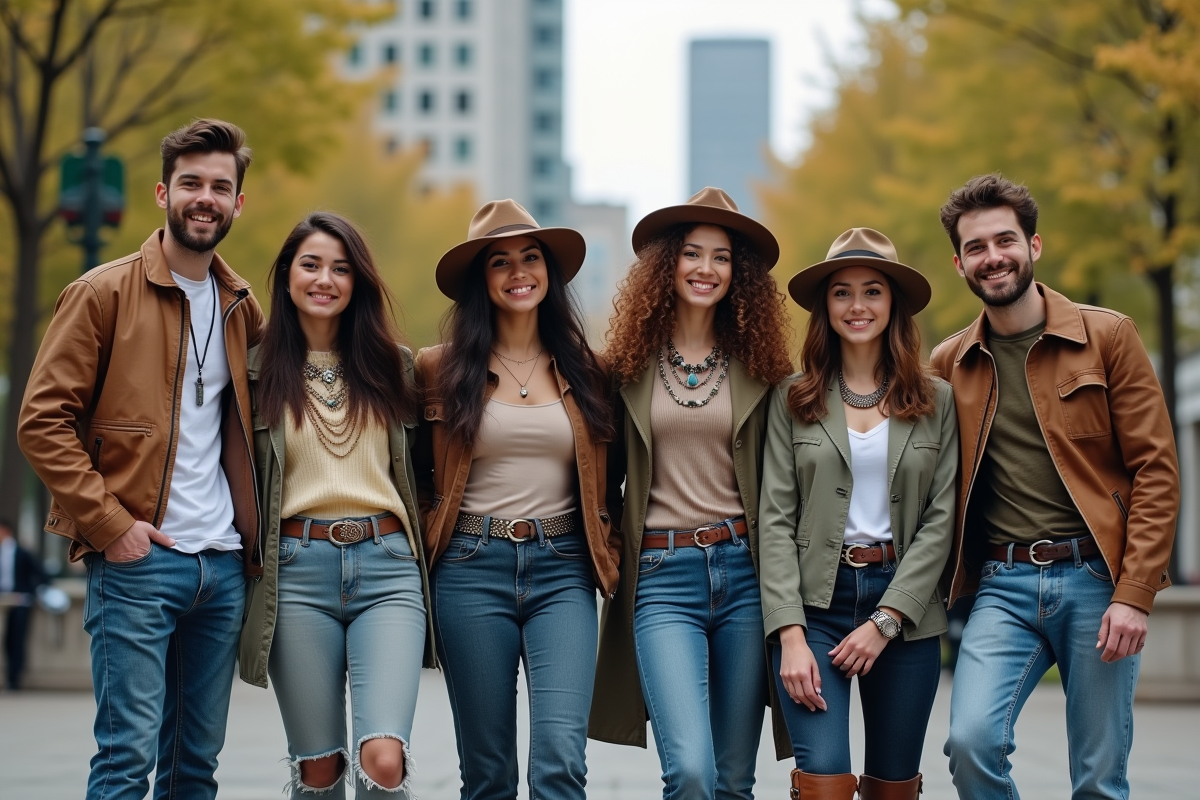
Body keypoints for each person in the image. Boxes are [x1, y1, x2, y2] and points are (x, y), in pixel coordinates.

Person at [18, 119, 263, 800]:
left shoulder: (243, 309)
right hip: (137, 563)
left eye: (220, 186)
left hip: (220, 570)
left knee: (195, 770)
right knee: (125, 763)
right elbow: (41, 423)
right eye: (191, 183)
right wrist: (111, 527)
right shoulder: (101, 294)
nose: (204, 197)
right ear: (163, 192)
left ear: (239, 203)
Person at [931, 174, 1179, 800]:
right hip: (1001, 587)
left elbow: (1156, 468)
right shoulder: (948, 364)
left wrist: (1136, 592)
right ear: (959, 261)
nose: (993, 257)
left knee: (1099, 777)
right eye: (977, 247)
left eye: (1005, 240)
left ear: (1034, 245)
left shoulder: (1108, 336)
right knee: (970, 743)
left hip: (1097, 580)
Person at [590, 188, 795, 800]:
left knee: (733, 781)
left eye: (722, 258)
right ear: (665, 266)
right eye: (691, 254)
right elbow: (600, 477)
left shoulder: (764, 367)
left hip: (745, 575)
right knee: (690, 771)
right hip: (661, 577)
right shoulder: (624, 366)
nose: (706, 269)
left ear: (741, 275)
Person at [414, 199, 618, 800]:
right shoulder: (438, 370)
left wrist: (614, 542)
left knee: (559, 761)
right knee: (489, 772)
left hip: (564, 568)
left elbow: (622, 478)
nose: (517, 271)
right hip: (470, 568)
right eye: (499, 261)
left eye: (530, 257)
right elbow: (414, 471)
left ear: (549, 272)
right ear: (482, 280)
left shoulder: (590, 371)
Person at [238, 212, 434, 798]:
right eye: (311, 264)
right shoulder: (252, 369)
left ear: (358, 283)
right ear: (288, 276)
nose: (325, 279)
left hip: (388, 568)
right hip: (295, 572)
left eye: (341, 268)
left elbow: (420, 468)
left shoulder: (394, 367)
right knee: (318, 767)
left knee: (383, 757)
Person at [759, 229, 958, 799]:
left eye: (873, 291)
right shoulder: (790, 400)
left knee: (894, 784)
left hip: (907, 610)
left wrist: (887, 621)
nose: (857, 306)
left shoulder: (936, 400)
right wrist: (790, 636)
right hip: (816, 605)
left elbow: (940, 520)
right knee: (823, 778)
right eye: (842, 293)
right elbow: (773, 519)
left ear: (893, 303)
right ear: (826, 306)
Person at [0, 518, 46, 691]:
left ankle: (15, 678)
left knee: (18, 640)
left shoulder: (22, 552)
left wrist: (28, 593)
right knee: (7, 641)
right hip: (4, 602)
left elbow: (41, 575)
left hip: (21, 602)